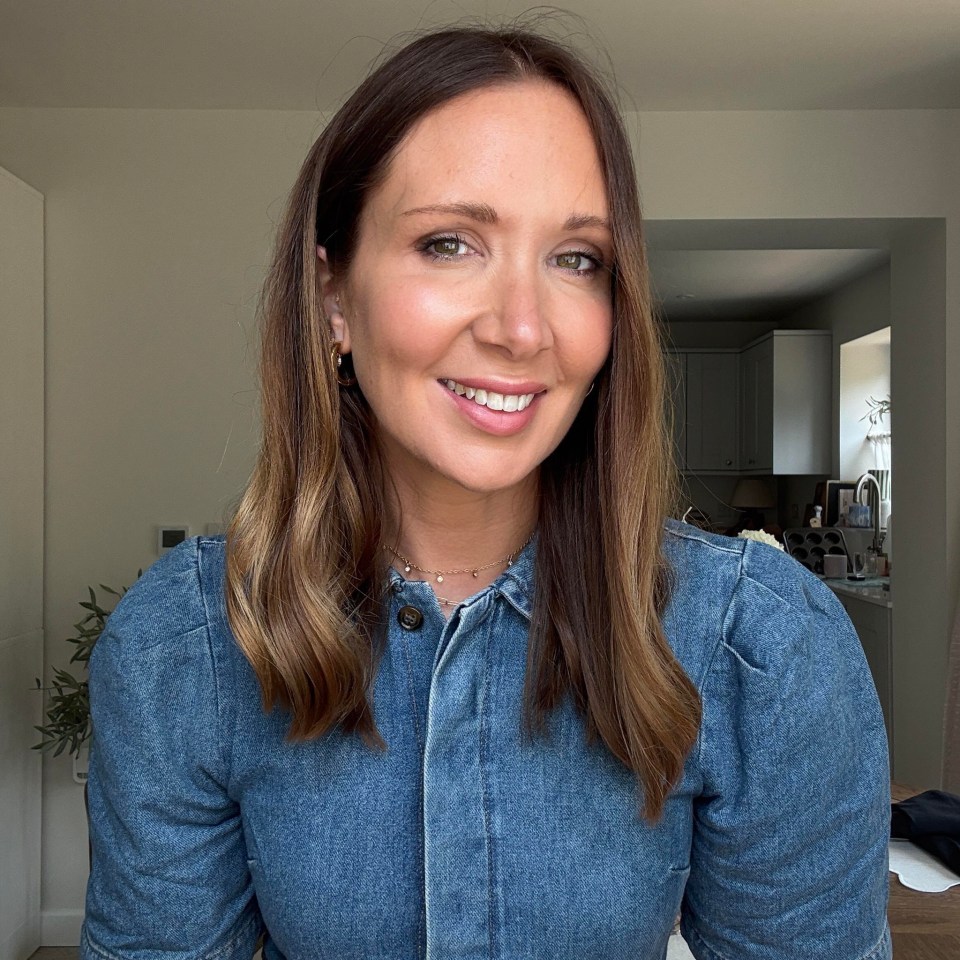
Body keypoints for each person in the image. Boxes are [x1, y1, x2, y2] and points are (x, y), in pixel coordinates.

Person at [81, 23, 892, 960]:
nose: (521, 327)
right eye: (450, 243)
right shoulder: (185, 650)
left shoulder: (762, 649)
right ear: (334, 296)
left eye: (576, 259)